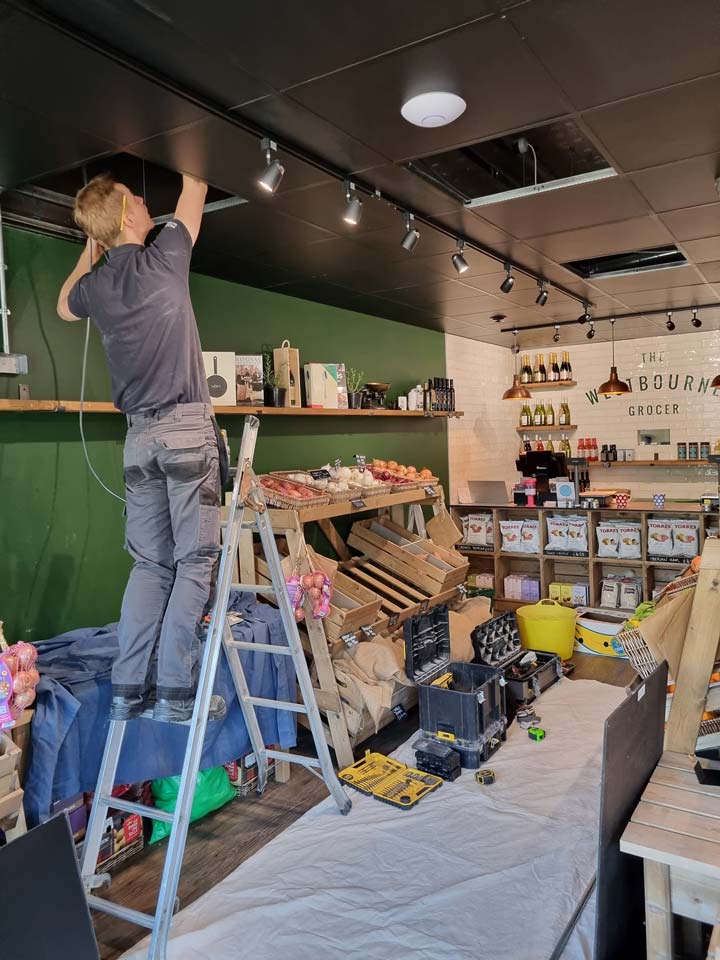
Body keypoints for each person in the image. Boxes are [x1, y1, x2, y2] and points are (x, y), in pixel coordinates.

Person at [57, 173, 227, 723]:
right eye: (137, 197)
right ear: (129, 213)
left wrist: (95, 241)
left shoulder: (97, 287)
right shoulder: (166, 256)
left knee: (150, 567)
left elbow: (64, 304)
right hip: (184, 426)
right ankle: (178, 694)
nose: (147, 203)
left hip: (139, 439)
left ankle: (130, 691)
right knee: (194, 564)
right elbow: (196, 186)